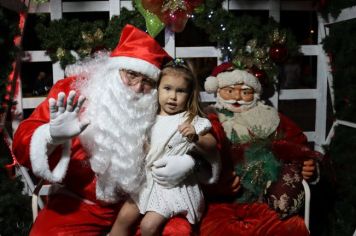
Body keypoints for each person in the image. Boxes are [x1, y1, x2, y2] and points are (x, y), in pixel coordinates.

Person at [12, 24, 210, 235]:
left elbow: (207, 127)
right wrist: (50, 136)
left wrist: (191, 162)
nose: (137, 88)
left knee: (177, 232)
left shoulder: (159, 102)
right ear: (115, 70)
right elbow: (22, 145)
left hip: (143, 202)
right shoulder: (76, 92)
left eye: (147, 81)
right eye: (131, 75)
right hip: (81, 204)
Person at [199, 62, 321, 236]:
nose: (237, 98)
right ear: (218, 90)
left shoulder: (270, 117)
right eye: (230, 90)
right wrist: (213, 185)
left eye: (245, 92)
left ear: (255, 93)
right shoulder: (208, 118)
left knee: (290, 227)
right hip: (221, 200)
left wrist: (309, 165)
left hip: (265, 198)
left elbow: (298, 144)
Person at [109, 59, 219, 236]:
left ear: (190, 94)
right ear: (157, 89)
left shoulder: (190, 120)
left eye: (180, 91)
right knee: (123, 217)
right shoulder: (149, 116)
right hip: (148, 181)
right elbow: (148, 149)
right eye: (167, 89)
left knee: (148, 226)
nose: (173, 97)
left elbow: (212, 146)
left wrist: (196, 137)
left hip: (173, 187)